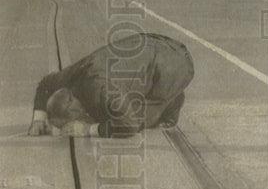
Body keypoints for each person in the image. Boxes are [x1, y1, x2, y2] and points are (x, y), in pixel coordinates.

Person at [27, 33, 194, 137]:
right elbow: (45, 84)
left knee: (140, 119)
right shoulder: (71, 77)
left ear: (76, 112)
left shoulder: (102, 91)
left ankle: (171, 103)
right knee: (120, 103)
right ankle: (169, 93)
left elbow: (129, 125)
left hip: (176, 63)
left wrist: (88, 130)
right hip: (152, 41)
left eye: (67, 125)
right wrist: (38, 119)